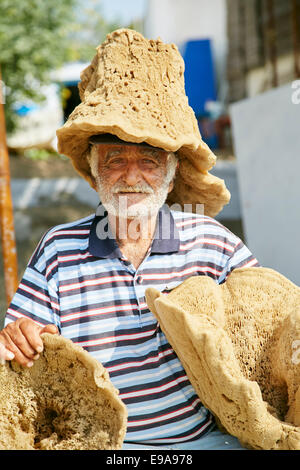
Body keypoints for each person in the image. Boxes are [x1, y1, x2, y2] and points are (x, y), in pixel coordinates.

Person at [0, 29, 260, 450]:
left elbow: (269, 329)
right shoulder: (58, 249)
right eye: (115, 159)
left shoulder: (213, 243)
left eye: (149, 161)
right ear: (93, 169)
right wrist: (16, 337)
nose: (131, 176)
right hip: (101, 445)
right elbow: (18, 340)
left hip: (206, 442)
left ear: (172, 171)